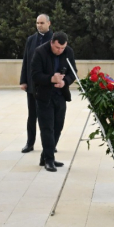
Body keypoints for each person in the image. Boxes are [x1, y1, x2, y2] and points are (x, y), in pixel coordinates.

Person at [30, 32, 76, 172]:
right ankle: (49, 160)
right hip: (44, 96)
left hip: (60, 95)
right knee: (47, 128)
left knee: (58, 127)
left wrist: (64, 82)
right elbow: (35, 75)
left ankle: (45, 156)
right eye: (57, 47)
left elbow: (73, 72)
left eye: (62, 48)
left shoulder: (68, 52)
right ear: (52, 43)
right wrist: (51, 79)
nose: (59, 51)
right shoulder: (40, 52)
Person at [19, 14, 53, 153]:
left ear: (49, 23)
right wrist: (23, 80)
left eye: (42, 23)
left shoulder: (55, 40)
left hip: (48, 86)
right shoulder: (31, 40)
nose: (39, 25)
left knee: (50, 117)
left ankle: (51, 144)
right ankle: (30, 143)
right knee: (32, 116)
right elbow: (26, 61)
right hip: (33, 86)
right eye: (37, 23)